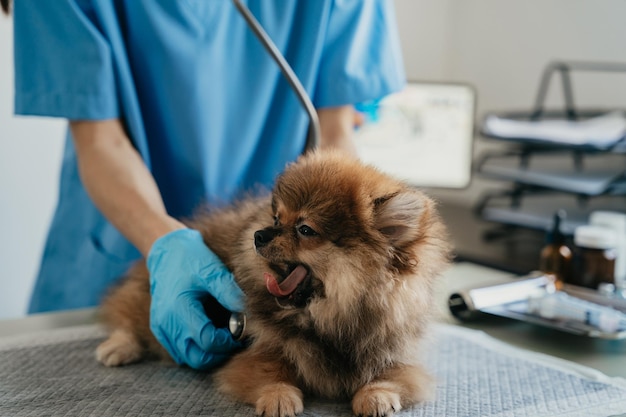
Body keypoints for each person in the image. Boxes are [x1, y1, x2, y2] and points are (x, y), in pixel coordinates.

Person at [7, 0, 406, 369]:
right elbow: (100, 140)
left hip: (279, 265)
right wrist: (164, 246)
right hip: (119, 249)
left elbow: (334, 131)